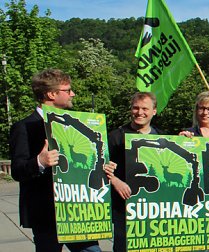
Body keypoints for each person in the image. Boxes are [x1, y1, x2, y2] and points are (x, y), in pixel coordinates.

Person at [9, 69, 106, 251]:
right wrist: (39, 161)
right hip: (46, 215)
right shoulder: (24, 127)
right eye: (68, 90)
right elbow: (17, 170)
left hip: (79, 211)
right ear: (52, 94)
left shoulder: (77, 123)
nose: (73, 94)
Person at [104, 92, 163, 252]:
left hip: (154, 208)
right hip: (124, 206)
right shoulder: (115, 137)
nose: (140, 112)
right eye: (136, 108)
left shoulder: (162, 137)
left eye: (145, 108)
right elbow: (100, 167)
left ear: (154, 111)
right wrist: (115, 181)